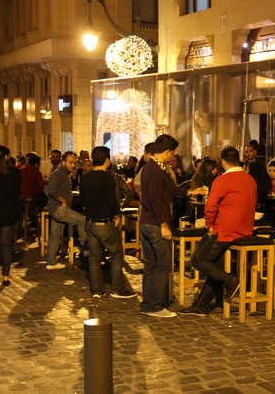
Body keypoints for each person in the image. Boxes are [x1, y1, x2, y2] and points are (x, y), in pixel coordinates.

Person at [179, 146, 257, 316]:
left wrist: (209, 225)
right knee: (215, 264)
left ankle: (230, 280)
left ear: (222, 162)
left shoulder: (222, 180)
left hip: (225, 230)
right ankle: (202, 304)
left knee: (197, 259)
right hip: (244, 229)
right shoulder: (250, 180)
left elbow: (211, 206)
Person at [139, 134, 205, 318]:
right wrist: (163, 224)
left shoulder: (155, 168)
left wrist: (191, 192)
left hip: (147, 222)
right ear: (167, 152)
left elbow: (170, 189)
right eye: (172, 153)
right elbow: (155, 200)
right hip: (154, 223)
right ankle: (155, 306)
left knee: (151, 264)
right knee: (162, 265)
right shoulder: (154, 170)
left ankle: (148, 304)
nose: (173, 156)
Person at [79, 146, 137, 299]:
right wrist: (117, 216)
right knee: (116, 254)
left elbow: (82, 200)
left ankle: (97, 290)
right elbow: (112, 201)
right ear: (106, 160)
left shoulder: (85, 177)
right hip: (105, 222)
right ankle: (117, 288)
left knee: (94, 257)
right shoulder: (107, 178)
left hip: (90, 222)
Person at [45, 151, 89, 270]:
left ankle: (51, 261)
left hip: (57, 208)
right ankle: (87, 253)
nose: (73, 165)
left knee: (55, 234)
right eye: (70, 162)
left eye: (74, 162)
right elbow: (52, 189)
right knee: (82, 221)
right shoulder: (58, 174)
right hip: (59, 208)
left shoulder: (63, 174)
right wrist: (63, 200)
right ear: (63, 162)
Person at [0, 145, 21, 288]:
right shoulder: (14, 172)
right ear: (7, 156)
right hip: (8, 211)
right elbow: (17, 194)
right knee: (6, 244)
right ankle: (6, 276)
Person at [20, 153, 46, 232]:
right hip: (31, 198)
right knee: (44, 200)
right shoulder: (37, 172)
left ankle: (28, 219)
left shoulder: (21, 171)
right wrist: (36, 193)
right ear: (36, 164)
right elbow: (41, 187)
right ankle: (31, 220)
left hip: (20, 199)